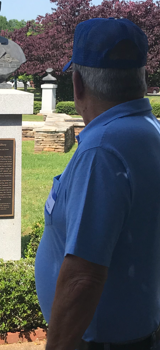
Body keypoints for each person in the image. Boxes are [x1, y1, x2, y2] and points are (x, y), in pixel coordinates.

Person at [35, 18, 160, 350]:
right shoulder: (149, 130)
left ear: (78, 85)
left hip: (99, 342)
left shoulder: (103, 149)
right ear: (143, 78)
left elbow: (83, 277)